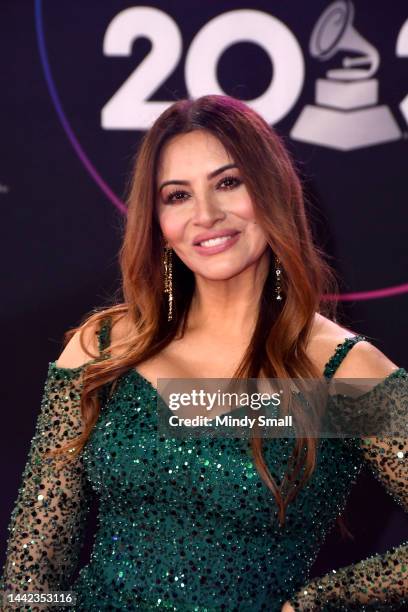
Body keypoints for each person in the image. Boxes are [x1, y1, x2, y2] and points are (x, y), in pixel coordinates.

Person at [1, 94, 407, 612]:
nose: (206, 216)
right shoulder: (105, 347)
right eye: (177, 196)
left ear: (274, 190)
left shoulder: (338, 375)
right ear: (158, 220)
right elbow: (31, 572)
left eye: (228, 183)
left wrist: (322, 600)